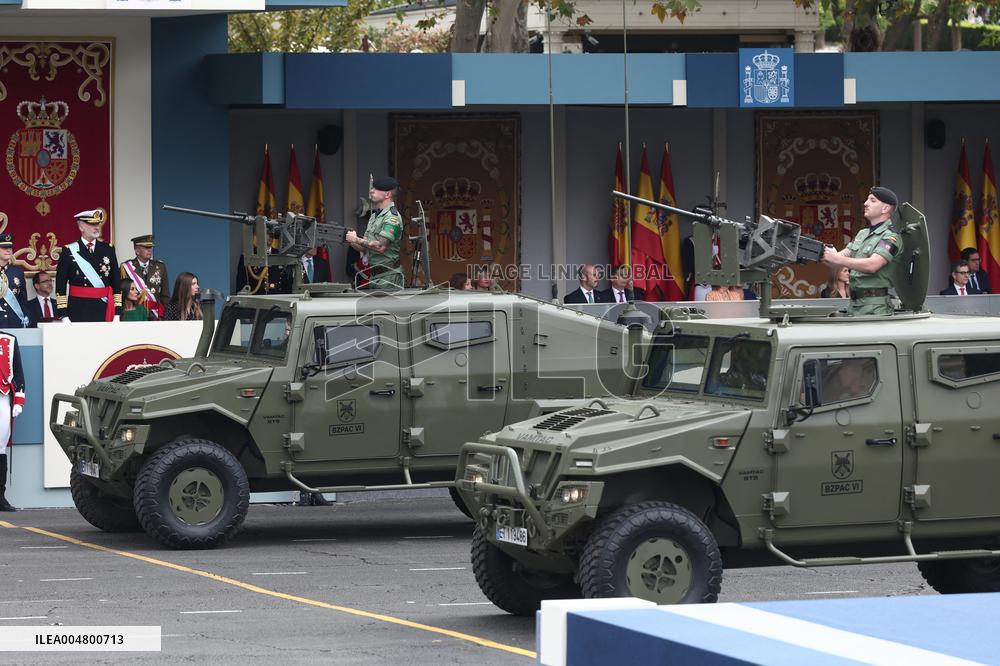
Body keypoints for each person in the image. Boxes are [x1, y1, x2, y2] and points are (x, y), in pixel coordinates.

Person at [822, 186, 902, 316]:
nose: (865, 203)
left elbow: (872, 265)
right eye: (867, 199)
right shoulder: (862, 234)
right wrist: (820, 252)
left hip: (875, 308)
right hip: (854, 305)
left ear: (885, 208)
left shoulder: (890, 237)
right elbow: (836, 259)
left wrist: (836, 258)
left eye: (872, 200)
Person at [55, 209, 121, 322]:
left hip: (103, 307)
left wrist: (117, 312)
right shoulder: (69, 251)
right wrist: (63, 314)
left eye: (98, 223)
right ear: (81, 227)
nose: (97, 227)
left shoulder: (108, 249)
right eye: (92, 224)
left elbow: (115, 281)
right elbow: (60, 284)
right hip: (78, 309)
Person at [345, 176, 404, 291]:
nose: (371, 190)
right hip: (375, 276)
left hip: (389, 277)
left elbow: (380, 247)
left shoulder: (392, 217)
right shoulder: (374, 216)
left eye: (377, 189)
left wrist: (356, 239)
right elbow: (365, 248)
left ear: (387, 195)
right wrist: (350, 240)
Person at [0, 330, 25, 512]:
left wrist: (18, 400)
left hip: (3, 397)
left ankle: (0, 496)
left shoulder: (9, 339)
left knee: (0, 447)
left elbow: (18, 372)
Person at [120, 234, 169, 319]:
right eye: (146, 247)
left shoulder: (160, 266)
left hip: (155, 315)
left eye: (151, 247)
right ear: (137, 250)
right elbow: (122, 294)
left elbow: (165, 295)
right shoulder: (126, 267)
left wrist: (166, 315)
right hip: (136, 314)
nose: (150, 250)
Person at [0, 234, 29, 328]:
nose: (8, 250)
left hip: (13, 321)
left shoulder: (18, 271)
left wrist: (26, 317)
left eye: (10, 248)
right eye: (4, 248)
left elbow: (23, 299)